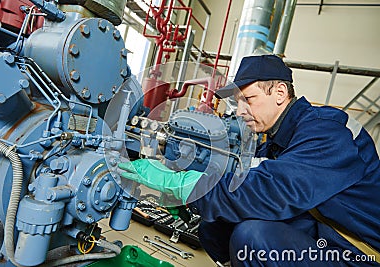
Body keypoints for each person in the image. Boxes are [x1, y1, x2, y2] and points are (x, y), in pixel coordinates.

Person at [119, 55, 380, 266]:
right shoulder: (278, 139)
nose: (240, 111)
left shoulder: (326, 132)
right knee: (214, 225)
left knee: (254, 238)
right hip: (323, 233)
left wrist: (189, 187)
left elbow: (270, 190)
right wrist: (194, 199)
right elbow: (245, 178)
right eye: (237, 102)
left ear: (279, 93)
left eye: (248, 100)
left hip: (354, 252)